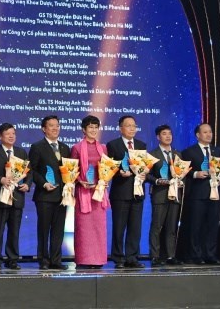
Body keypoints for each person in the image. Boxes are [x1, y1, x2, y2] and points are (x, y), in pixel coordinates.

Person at [0, 123, 30, 270]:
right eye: (7, 134)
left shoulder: (21, 152)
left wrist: (27, 184)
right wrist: (1, 179)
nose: (11, 136)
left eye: (13, 133)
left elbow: (29, 172)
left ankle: (13, 259)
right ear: (0, 136)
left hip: (17, 197)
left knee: (14, 231)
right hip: (1, 197)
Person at [29, 115, 71, 270]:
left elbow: (69, 170)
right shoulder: (37, 147)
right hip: (44, 196)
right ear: (44, 129)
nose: (55, 128)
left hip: (62, 196)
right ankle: (44, 260)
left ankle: (56, 260)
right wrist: (43, 183)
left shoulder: (65, 148)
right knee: (44, 230)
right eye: (51, 125)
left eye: (57, 125)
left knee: (58, 230)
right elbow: (32, 170)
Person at [106, 115, 147, 269]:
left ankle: (132, 257)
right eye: (128, 125)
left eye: (133, 126)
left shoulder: (141, 145)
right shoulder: (113, 145)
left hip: (137, 192)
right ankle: (118, 258)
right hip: (120, 193)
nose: (131, 128)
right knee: (119, 227)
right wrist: (119, 173)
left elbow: (144, 167)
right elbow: (108, 167)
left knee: (135, 228)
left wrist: (145, 172)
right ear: (120, 128)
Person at [181, 123, 220, 265]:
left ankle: (210, 254)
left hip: (214, 193)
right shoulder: (189, 152)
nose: (209, 134)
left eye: (210, 132)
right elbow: (182, 172)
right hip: (197, 194)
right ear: (197, 135)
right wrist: (195, 174)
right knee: (196, 225)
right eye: (205, 132)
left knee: (212, 225)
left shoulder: (217, 150)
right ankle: (195, 255)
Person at [71, 115, 109, 268]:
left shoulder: (103, 148)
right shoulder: (76, 148)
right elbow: (72, 171)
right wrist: (80, 181)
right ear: (84, 129)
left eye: (96, 127)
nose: (93, 130)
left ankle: (98, 260)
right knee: (84, 228)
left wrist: (105, 180)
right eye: (90, 127)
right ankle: (84, 259)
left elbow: (106, 168)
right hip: (83, 193)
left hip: (98, 194)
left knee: (99, 227)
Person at [147, 124, 183, 266]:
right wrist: (156, 180)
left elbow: (182, 173)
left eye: (170, 133)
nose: (168, 136)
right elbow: (146, 174)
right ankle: (155, 256)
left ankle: (170, 256)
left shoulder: (177, 154)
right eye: (164, 134)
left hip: (175, 194)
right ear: (158, 137)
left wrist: (181, 182)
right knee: (156, 226)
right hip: (160, 194)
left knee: (171, 227)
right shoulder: (152, 154)